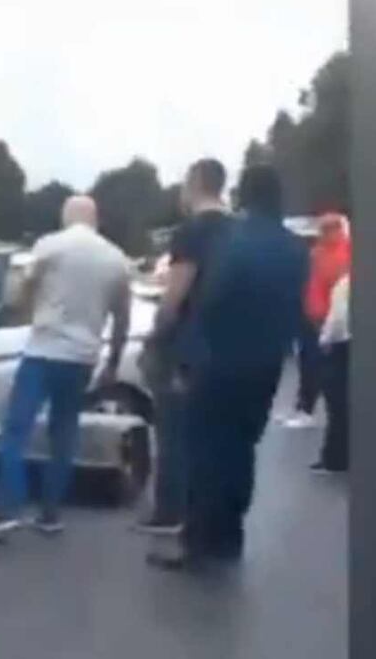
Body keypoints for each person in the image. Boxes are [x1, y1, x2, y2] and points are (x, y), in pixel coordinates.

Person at [149, 165, 309, 570]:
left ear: (244, 194)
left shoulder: (232, 239)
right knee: (241, 448)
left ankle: (199, 544)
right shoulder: (295, 248)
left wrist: (179, 351)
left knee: (204, 451)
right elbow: (297, 307)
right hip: (266, 363)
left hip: (217, 360)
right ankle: (229, 536)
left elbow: (210, 299)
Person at [0, 195, 131, 539]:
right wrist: (113, 361)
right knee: (64, 434)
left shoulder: (50, 246)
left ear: (66, 216)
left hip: (44, 350)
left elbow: (23, 293)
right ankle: (50, 514)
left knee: (15, 430)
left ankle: (5, 507)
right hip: (83, 358)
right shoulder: (116, 258)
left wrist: (19, 310)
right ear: (95, 218)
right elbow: (121, 319)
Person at [136, 158, 233, 534]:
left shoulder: (191, 233)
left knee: (174, 430)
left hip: (189, 347)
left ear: (195, 184)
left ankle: (170, 511)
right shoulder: (237, 231)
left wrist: (156, 336)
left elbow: (175, 296)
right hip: (230, 346)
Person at [282, 212, 352, 429]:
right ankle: (304, 407)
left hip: (327, 320)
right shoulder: (320, 253)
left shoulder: (340, 254)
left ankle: (307, 409)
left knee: (318, 367)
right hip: (314, 317)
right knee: (311, 364)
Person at [312, 272, 351, 473]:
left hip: (343, 346)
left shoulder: (345, 283)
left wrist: (325, 339)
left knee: (337, 403)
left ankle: (335, 458)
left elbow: (338, 318)